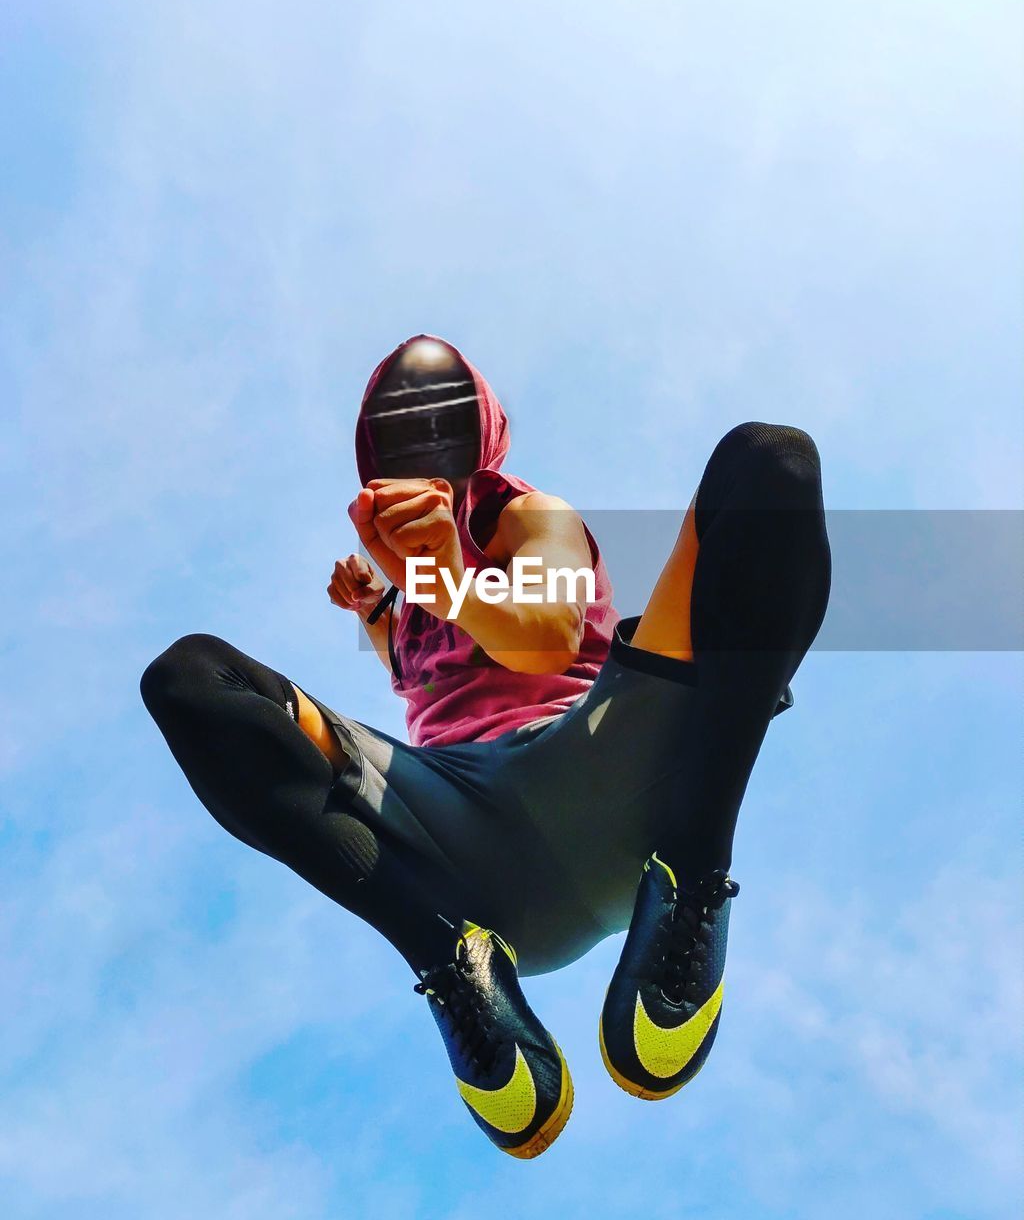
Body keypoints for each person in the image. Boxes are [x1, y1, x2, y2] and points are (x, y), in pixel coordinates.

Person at [140, 333, 832, 1158]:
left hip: (603, 766)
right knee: (188, 677)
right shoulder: (413, 599)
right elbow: (418, 663)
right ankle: (455, 968)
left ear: (483, 435)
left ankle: (691, 878)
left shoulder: (529, 516)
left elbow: (543, 638)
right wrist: (380, 602)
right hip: (456, 838)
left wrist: (443, 574)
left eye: (442, 425)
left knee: (769, 463)